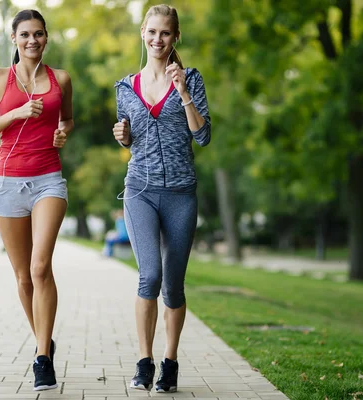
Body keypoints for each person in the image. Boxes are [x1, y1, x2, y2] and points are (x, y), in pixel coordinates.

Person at [112, 4, 211, 393]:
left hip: (181, 194)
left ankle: (170, 362)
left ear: (176, 37)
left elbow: (202, 136)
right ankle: (144, 361)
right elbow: (130, 137)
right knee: (148, 276)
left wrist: (183, 91)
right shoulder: (124, 87)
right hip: (139, 190)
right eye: (152, 32)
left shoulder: (192, 80)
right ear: (142, 33)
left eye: (165, 33)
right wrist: (122, 137)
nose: (158, 39)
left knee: (173, 286)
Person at [0, 9, 73, 392]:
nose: (33, 40)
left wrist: (63, 132)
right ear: (14, 38)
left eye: (39, 34)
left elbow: (67, 120)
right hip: (8, 184)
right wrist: (14, 113)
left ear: (47, 38)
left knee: (39, 266)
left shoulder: (60, 78)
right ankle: (44, 340)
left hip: (48, 180)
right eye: (25, 34)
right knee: (21, 276)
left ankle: (42, 359)